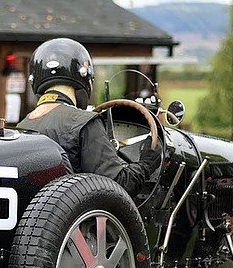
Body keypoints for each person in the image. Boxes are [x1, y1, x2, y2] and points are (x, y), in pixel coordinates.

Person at [16, 38, 162, 197]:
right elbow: (116, 187)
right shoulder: (84, 121)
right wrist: (146, 164)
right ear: (84, 77)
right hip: (77, 218)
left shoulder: (22, 126)